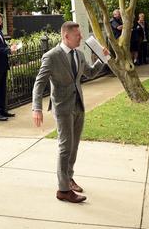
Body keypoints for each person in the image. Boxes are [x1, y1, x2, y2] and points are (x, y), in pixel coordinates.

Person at [32, 21, 108, 203]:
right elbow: (39, 83)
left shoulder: (79, 54)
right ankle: (63, 190)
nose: (81, 37)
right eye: (77, 35)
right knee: (65, 147)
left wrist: (102, 59)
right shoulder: (51, 56)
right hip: (62, 108)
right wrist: (37, 107)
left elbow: (89, 74)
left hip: (78, 106)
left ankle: (68, 177)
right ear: (66, 36)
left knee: (73, 147)